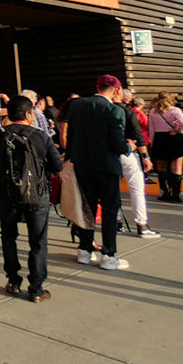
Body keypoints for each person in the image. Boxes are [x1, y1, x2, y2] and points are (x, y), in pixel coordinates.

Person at [0, 96, 63, 302]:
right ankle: (36, 289)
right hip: (37, 194)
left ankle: (13, 281)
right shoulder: (40, 136)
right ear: (29, 114)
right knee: (38, 241)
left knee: (8, 237)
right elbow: (57, 166)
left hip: (8, 194)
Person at [66, 75, 131, 270]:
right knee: (110, 210)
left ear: (97, 86)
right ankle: (108, 255)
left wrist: (70, 158)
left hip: (82, 164)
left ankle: (84, 251)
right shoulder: (115, 110)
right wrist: (129, 147)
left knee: (87, 207)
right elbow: (118, 144)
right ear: (117, 90)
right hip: (107, 166)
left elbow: (71, 135)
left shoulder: (77, 105)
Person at [113, 91, 159, 237]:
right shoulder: (128, 112)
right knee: (137, 189)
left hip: (108, 154)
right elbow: (137, 134)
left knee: (113, 190)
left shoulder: (99, 111)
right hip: (127, 152)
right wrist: (145, 156)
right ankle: (141, 224)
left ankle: (117, 222)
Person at [148, 91, 183, 203]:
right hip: (174, 138)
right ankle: (175, 194)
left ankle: (165, 192)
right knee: (176, 168)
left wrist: (152, 143)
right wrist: (176, 129)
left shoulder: (153, 111)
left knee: (161, 168)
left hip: (159, 139)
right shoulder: (175, 110)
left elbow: (151, 129)